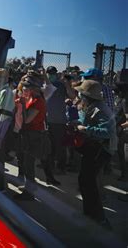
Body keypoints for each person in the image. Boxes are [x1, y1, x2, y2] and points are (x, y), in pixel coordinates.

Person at [74, 80, 116, 226]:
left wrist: (85, 130)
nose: (79, 95)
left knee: (89, 182)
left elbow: (107, 133)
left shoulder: (101, 109)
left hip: (101, 149)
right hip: (93, 147)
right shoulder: (91, 106)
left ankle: (100, 217)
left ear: (87, 95)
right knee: (84, 180)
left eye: (81, 93)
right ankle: (89, 212)